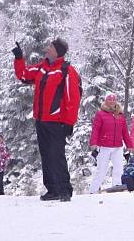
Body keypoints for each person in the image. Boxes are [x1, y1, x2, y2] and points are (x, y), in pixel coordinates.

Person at [12, 37, 82, 202]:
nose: (47, 48)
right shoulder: (42, 68)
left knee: (57, 155)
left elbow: (73, 99)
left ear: (57, 51)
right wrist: (19, 58)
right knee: (46, 155)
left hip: (57, 122)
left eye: (50, 46)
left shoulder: (67, 70)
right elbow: (22, 75)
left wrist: (69, 123)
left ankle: (65, 190)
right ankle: (53, 190)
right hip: (41, 120)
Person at [88, 94, 133, 194]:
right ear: (106, 101)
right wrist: (93, 143)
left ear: (116, 102)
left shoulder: (120, 115)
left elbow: (125, 132)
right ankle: (93, 190)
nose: (112, 102)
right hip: (104, 146)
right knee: (101, 170)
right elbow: (95, 129)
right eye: (109, 100)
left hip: (117, 147)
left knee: (118, 168)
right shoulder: (100, 114)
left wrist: (129, 145)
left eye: (113, 100)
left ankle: (116, 187)